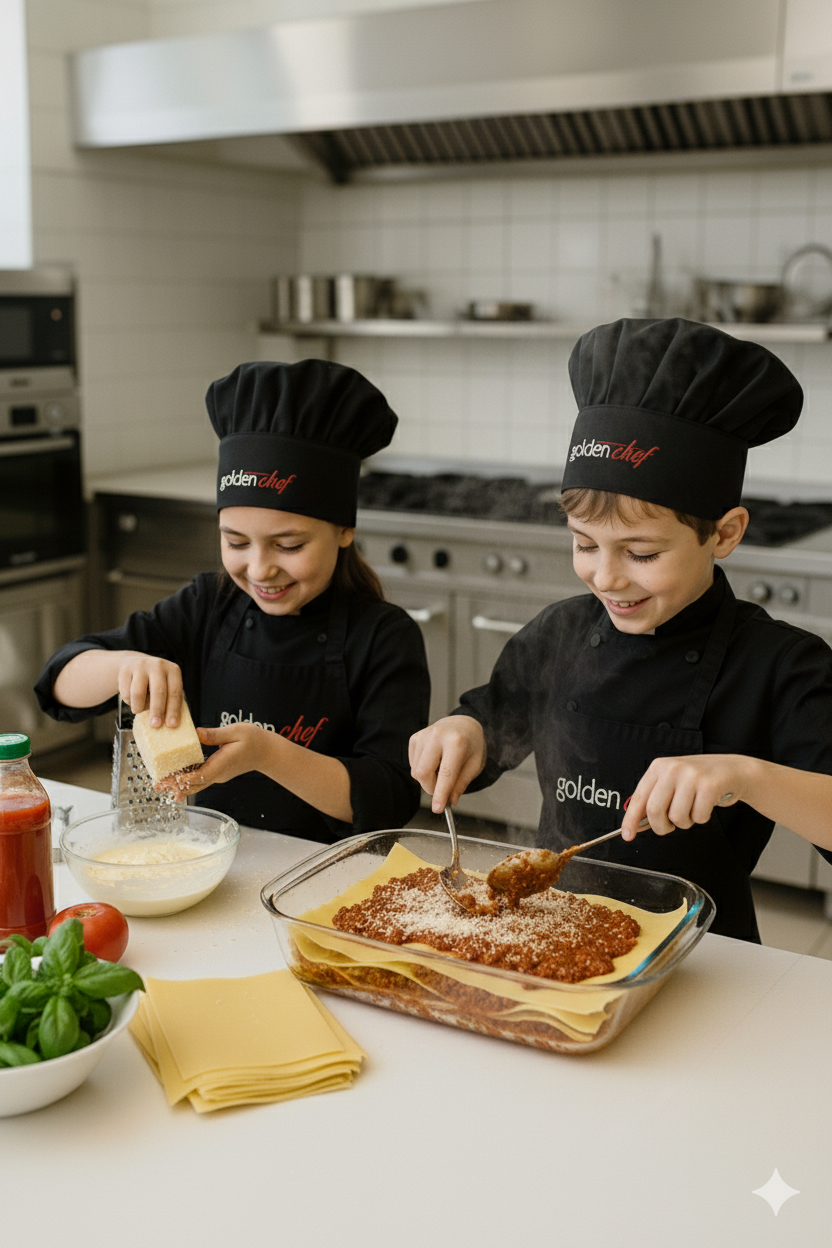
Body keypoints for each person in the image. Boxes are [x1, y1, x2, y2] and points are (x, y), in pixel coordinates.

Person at [410, 317, 832, 941]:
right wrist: (461, 731)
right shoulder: (559, 632)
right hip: (551, 930)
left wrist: (745, 776)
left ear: (725, 533)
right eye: (584, 545)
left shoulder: (779, 665)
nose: (606, 579)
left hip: (701, 951)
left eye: (641, 554)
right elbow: (493, 720)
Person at [36, 359, 431, 840]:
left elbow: (389, 799)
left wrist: (270, 755)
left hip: (335, 879)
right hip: (220, 861)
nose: (260, 568)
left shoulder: (384, 637)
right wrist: (125, 665)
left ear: (345, 530)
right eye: (236, 543)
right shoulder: (208, 605)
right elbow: (58, 682)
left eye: (289, 546)